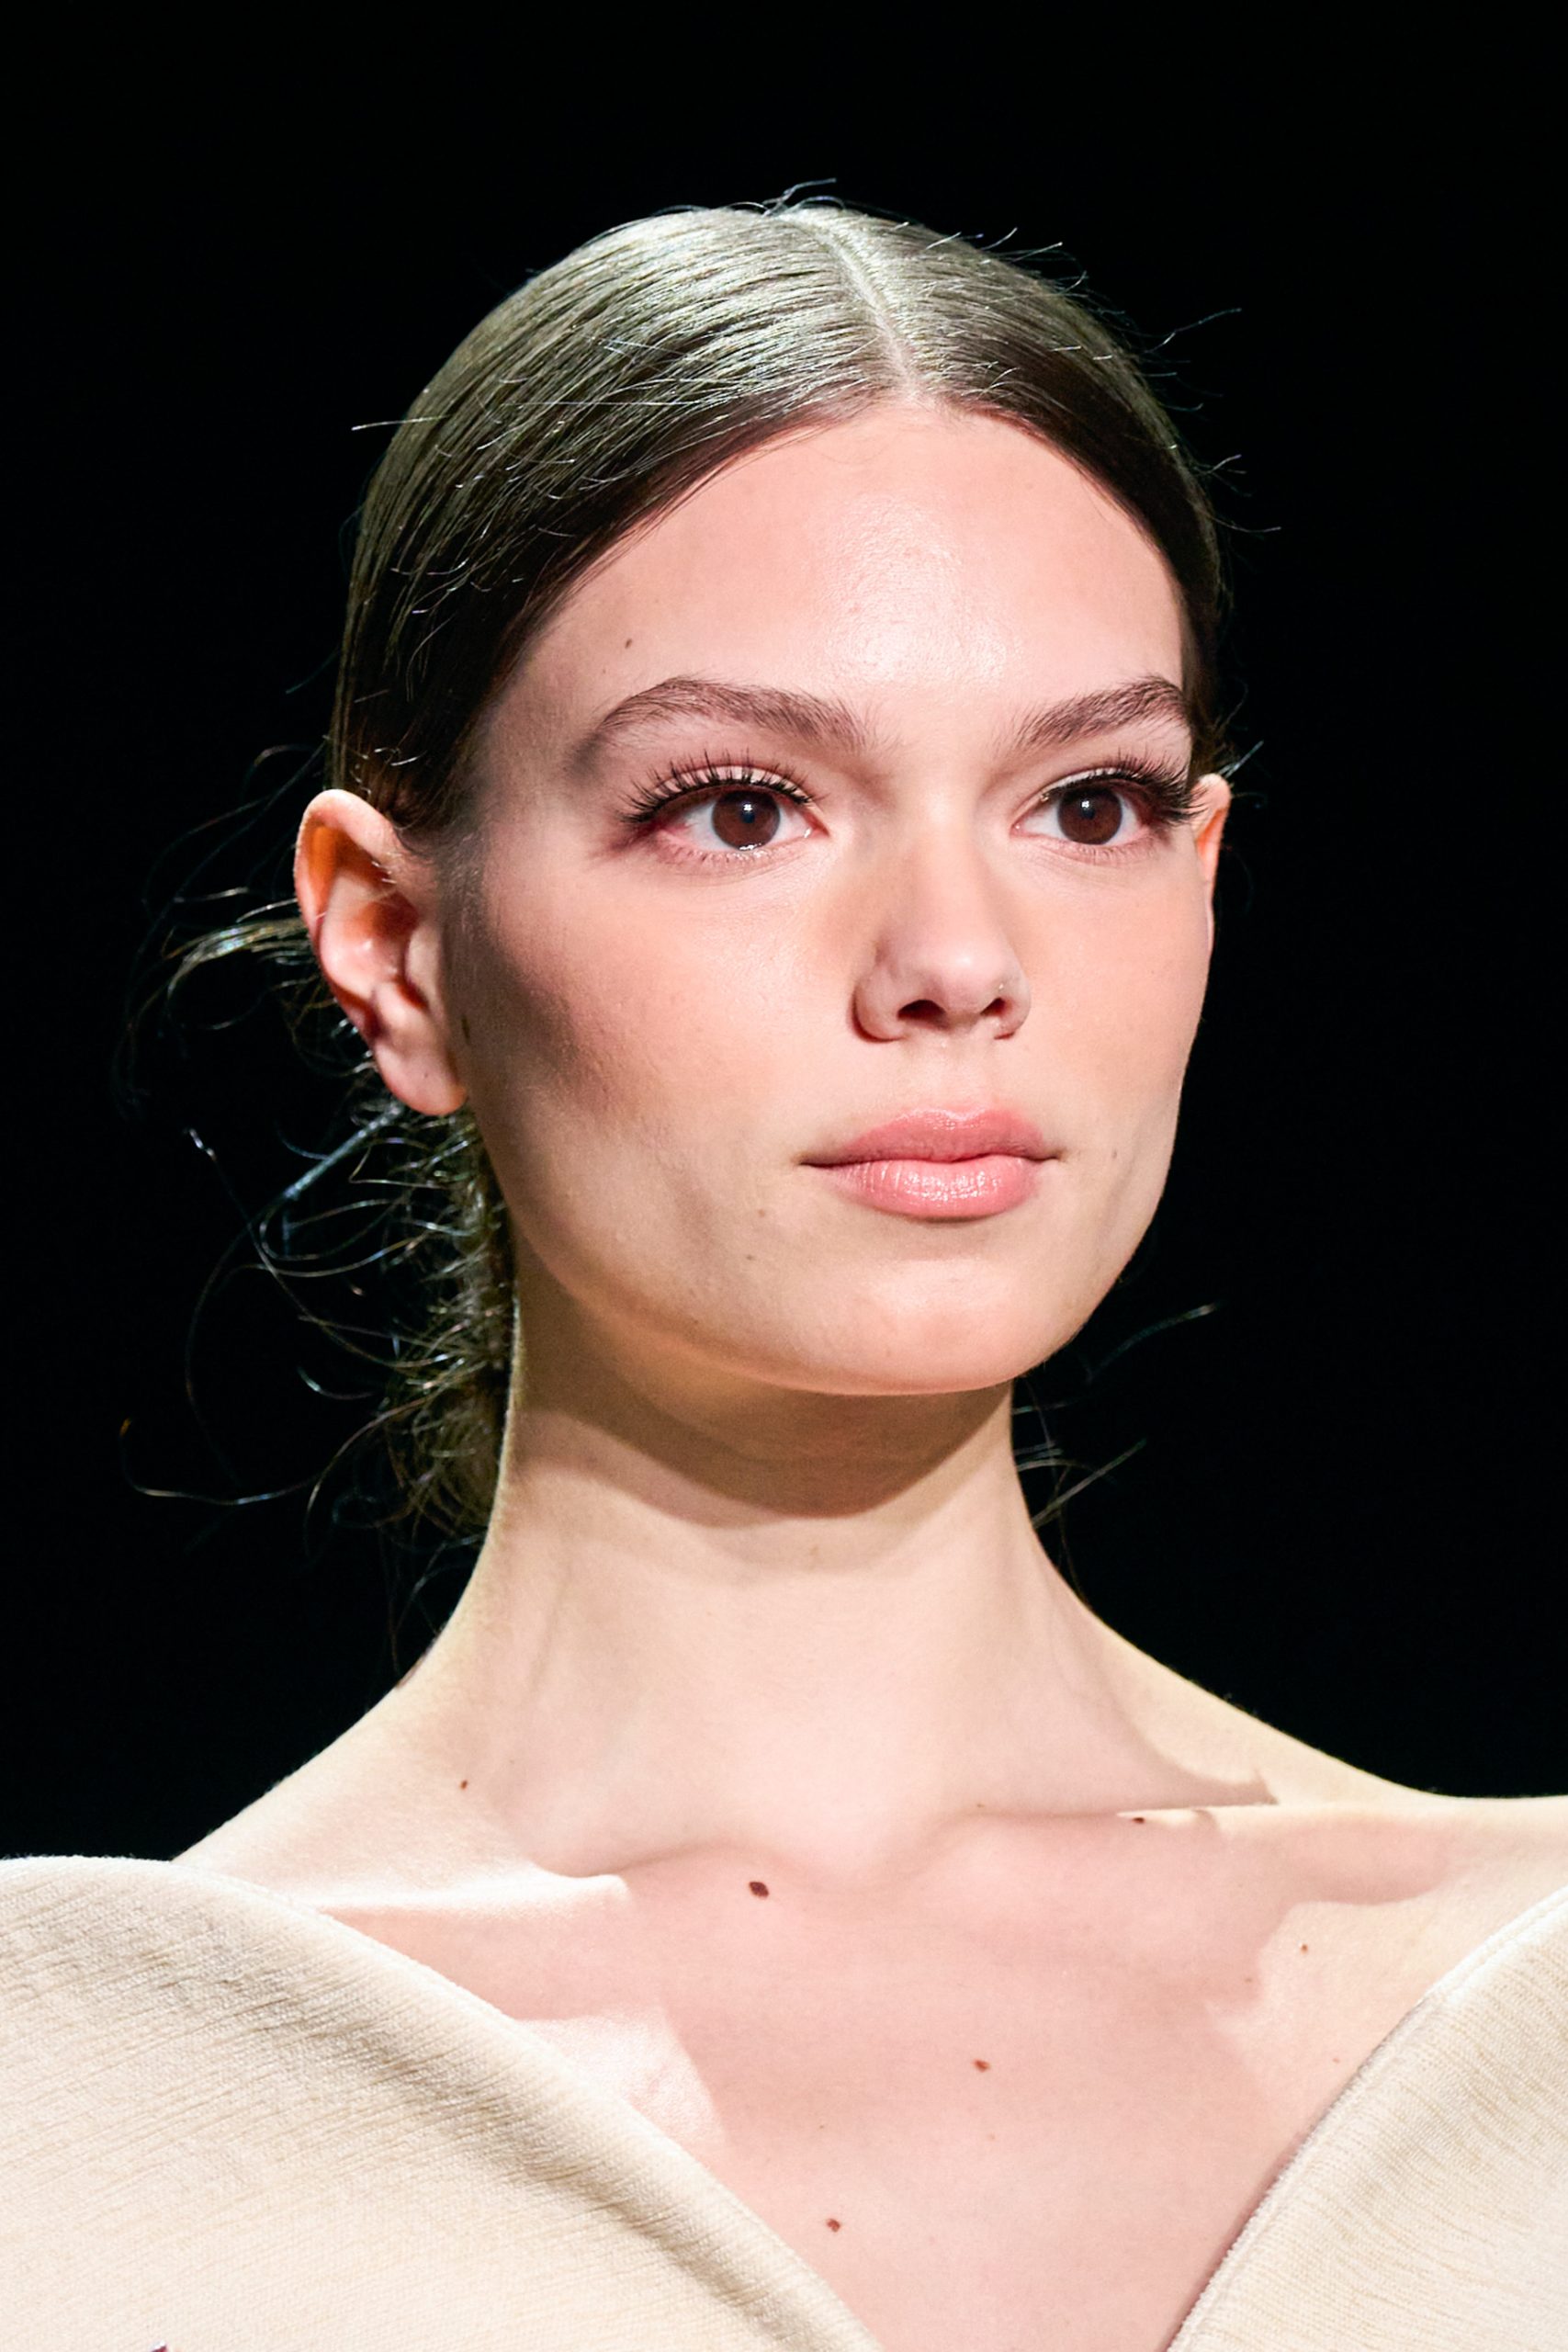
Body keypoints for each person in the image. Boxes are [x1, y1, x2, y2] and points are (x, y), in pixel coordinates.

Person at [3, 199, 1563, 2352]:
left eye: (1083, 803)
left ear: (1202, 878)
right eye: (739, 807)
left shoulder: (1524, 2024)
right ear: (394, 940)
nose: (954, 959)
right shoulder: (85, 2121)